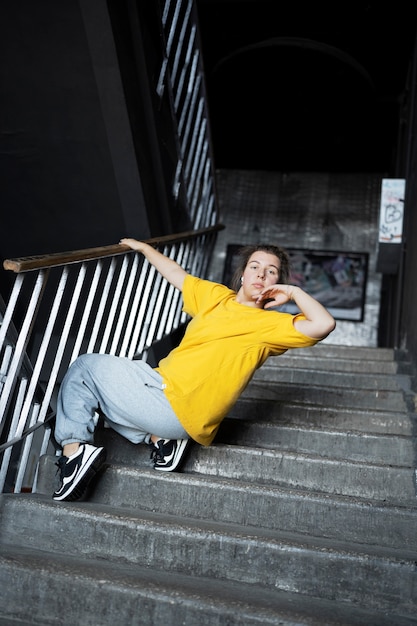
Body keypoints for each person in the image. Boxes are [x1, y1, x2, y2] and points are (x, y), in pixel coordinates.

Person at [52, 238, 336, 502]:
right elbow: (177, 274)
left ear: (277, 283)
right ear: (243, 275)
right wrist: (144, 249)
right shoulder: (216, 297)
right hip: (161, 388)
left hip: (177, 405)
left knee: (85, 368)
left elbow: (323, 324)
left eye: (271, 272)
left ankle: (74, 453)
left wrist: (295, 292)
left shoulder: (269, 327)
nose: (261, 275)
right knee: (103, 394)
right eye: (255, 267)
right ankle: (162, 441)